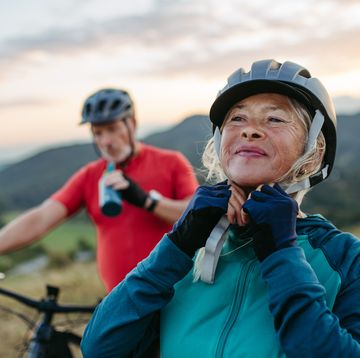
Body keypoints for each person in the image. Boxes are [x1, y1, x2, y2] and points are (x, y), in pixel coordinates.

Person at [81, 60, 360, 357]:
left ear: (314, 150)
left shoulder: (343, 257)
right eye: (237, 118)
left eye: (275, 119)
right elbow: (99, 347)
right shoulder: (188, 254)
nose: (250, 131)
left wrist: (282, 254)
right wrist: (178, 243)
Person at [0, 88, 198, 292]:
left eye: (112, 129)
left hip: (172, 293)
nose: (106, 142)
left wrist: (146, 201)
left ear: (132, 124)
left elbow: (197, 215)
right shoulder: (91, 176)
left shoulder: (171, 162)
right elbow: (41, 218)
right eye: (98, 133)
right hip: (119, 300)